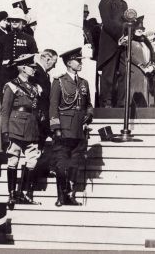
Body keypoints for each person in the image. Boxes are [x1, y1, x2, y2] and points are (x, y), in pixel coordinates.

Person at [49, 47, 93, 206]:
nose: (80, 63)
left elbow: (88, 104)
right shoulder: (59, 81)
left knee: (75, 164)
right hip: (64, 129)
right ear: (69, 63)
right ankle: (61, 196)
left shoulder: (84, 83)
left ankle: (70, 196)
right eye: (78, 60)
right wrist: (56, 128)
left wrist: (89, 114)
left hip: (78, 130)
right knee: (62, 165)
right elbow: (53, 106)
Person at [1, 54, 42, 209]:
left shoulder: (34, 87)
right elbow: (5, 111)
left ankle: (26, 195)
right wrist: (5, 132)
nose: (34, 70)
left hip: (31, 127)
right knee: (13, 160)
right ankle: (12, 195)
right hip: (16, 127)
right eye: (31, 67)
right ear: (23, 68)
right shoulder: (11, 86)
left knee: (32, 161)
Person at [97, 0, 128, 107]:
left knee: (124, 73)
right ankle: (106, 102)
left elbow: (126, 22)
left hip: (122, 44)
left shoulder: (124, 3)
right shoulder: (106, 0)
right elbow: (108, 23)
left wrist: (126, 36)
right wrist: (119, 37)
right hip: (110, 44)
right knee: (108, 75)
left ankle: (121, 103)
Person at [0, 8, 38, 97]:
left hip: (23, 78)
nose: (14, 21)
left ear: (23, 22)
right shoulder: (3, 38)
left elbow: (34, 60)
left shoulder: (29, 39)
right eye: (12, 19)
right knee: (5, 106)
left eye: (17, 20)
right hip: (6, 77)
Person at [32, 49, 59, 149]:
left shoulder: (43, 73)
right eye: (54, 62)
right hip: (39, 119)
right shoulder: (36, 72)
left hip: (42, 119)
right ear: (47, 59)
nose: (54, 66)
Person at [128, 17, 155, 107]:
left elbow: (152, 54)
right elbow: (129, 55)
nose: (139, 30)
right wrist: (140, 65)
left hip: (147, 72)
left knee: (146, 92)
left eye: (141, 29)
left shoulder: (145, 42)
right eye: (137, 29)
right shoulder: (130, 41)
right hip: (136, 71)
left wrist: (152, 65)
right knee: (137, 92)